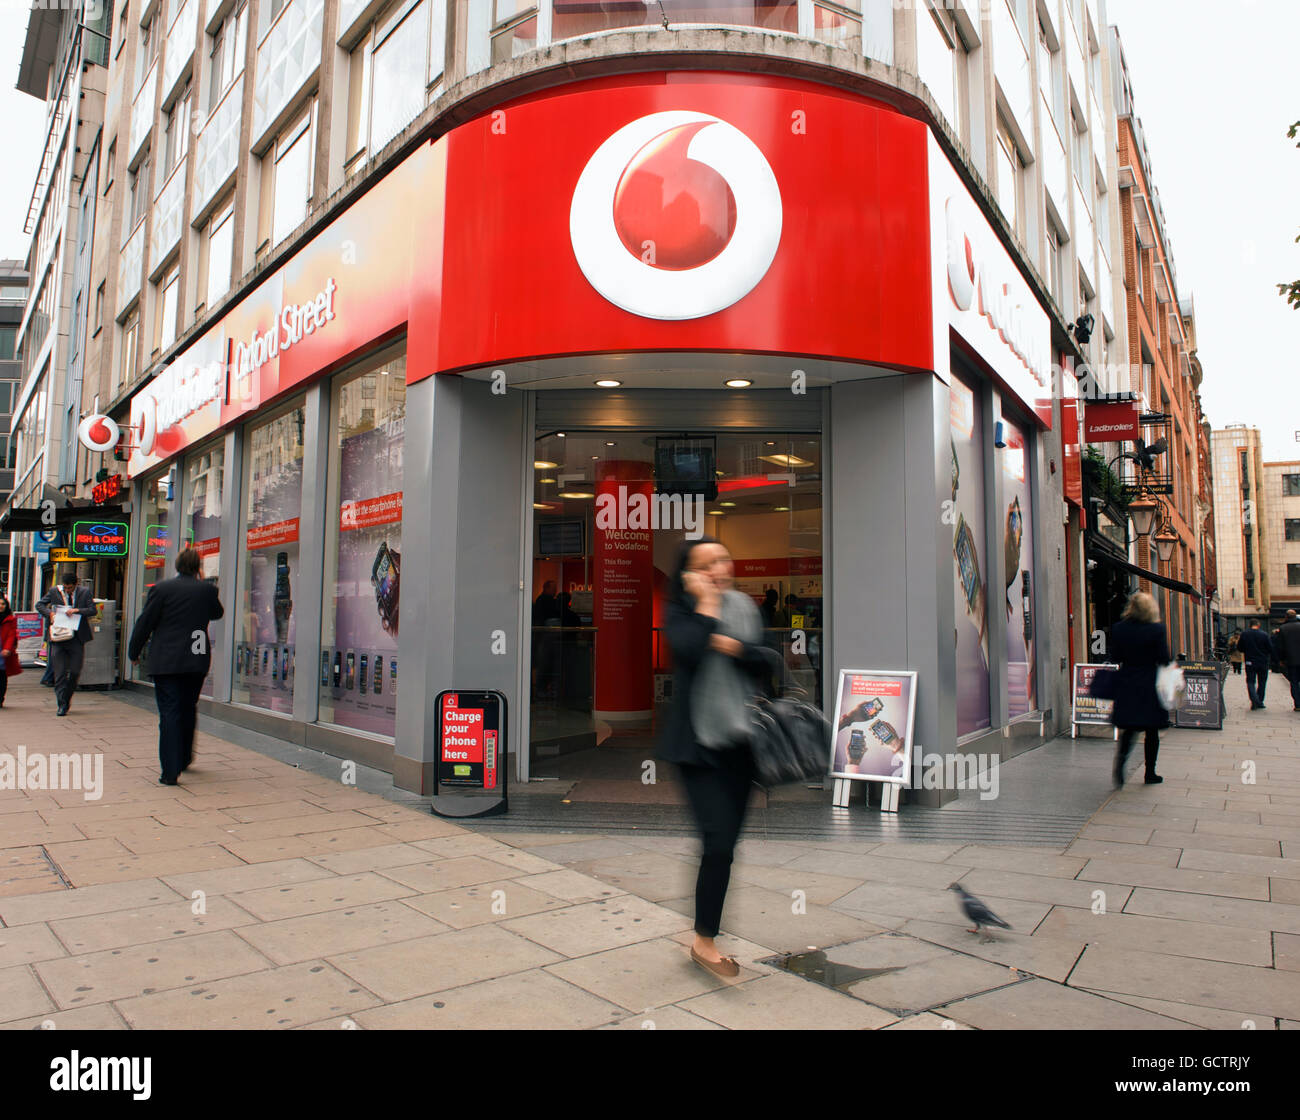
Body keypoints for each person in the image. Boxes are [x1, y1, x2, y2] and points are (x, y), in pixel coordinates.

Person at [659, 537, 769, 980]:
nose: (718, 568)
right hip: (697, 748)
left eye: (722, 558)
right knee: (718, 841)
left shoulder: (744, 607)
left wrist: (737, 648)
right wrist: (705, 603)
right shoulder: (682, 611)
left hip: (742, 744)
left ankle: (704, 936)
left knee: (725, 849)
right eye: (705, 565)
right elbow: (686, 652)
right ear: (689, 575)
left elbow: (768, 663)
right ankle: (705, 942)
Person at [128, 548, 225, 785]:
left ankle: (170, 770)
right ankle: (184, 757)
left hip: (167, 658)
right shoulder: (207, 590)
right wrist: (204, 586)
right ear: (198, 567)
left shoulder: (161, 589)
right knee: (188, 706)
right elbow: (217, 614)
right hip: (197, 654)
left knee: (170, 711)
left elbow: (146, 622)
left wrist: (134, 650)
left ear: (177, 565)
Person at [1109, 591, 1171, 787]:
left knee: (1130, 727)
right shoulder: (1157, 630)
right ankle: (1150, 772)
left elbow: (1115, 656)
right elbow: (1164, 658)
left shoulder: (1119, 629)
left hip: (1128, 682)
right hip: (1150, 684)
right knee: (1151, 730)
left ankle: (1120, 766)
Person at [35, 571, 97, 717]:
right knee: (60, 673)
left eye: (70, 588)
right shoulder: (54, 591)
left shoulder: (85, 592)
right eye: (65, 587)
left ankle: (66, 698)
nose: (67, 590)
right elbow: (39, 605)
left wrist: (77, 610)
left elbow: (93, 610)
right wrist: (49, 613)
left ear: (76, 585)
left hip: (76, 638)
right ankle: (61, 705)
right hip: (58, 638)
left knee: (75, 671)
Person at [1237, 620, 1274, 710]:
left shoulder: (1244, 634)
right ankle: (1259, 701)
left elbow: (1240, 648)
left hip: (1250, 661)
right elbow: (1270, 648)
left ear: (1250, 625)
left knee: (1250, 681)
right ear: (1258, 625)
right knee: (1262, 682)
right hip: (1262, 661)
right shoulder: (1264, 634)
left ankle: (1254, 700)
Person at [0, 595, 22, 707]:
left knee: (2, 675)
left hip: (3, 650)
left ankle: (0, 698)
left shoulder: (11, 619)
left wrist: (7, 648)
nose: (1, 606)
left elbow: (11, 635)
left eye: (3, 604)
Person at [1279, 609, 1300, 712]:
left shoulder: (1283, 628)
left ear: (1286, 617)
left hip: (1291, 660)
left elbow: (1281, 647)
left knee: (1294, 682)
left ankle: (1298, 704)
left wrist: (1281, 659)